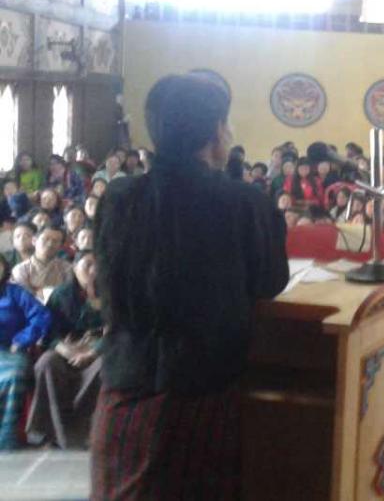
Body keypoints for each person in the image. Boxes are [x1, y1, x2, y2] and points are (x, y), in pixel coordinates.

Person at [91, 74, 289, 498]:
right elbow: (270, 281)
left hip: (124, 386)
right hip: (200, 391)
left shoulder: (118, 198)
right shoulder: (243, 202)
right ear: (216, 131)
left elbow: (107, 282)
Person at [26, 250, 105, 449]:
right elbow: (49, 332)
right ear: (74, 267)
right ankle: (53, 432)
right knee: (46, 363)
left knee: (103, 366)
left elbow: (118, 330)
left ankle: (84, 432)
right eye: (87, 264)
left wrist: (93, 351)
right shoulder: (61, 294)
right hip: (67, 348)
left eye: (97, 265)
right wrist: (64, 349)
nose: (93, 270)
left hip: (99, 350)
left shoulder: (112, 293)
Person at [0, 256, 51, 450]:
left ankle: (6, 436)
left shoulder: (14, 293)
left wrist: (22, 339)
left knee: (14, 375)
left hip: (10, 350)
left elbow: (41, 315)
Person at [11, 225, 71, 303]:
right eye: (46, 239)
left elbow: (69, 294)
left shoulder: (67, 268)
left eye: (55, 241)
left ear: (60, 246)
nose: (50, 244)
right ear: (34, 241)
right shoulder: (21, 269)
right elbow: (25, 298)